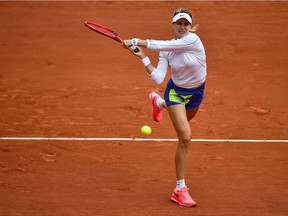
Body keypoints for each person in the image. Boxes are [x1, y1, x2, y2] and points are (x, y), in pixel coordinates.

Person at [122, 8, 207, 208]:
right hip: (175, 92)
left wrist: (135, 40)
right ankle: (180, 189)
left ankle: (158, 103)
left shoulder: (193, 41)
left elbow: (157, 43)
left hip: (196, 94)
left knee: (183, 123)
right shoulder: (166, 49)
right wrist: (142, 56)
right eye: (179, 23)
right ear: (173, 25)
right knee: (185, 137)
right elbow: (159, 78)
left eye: (186, 24)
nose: (183, 27)